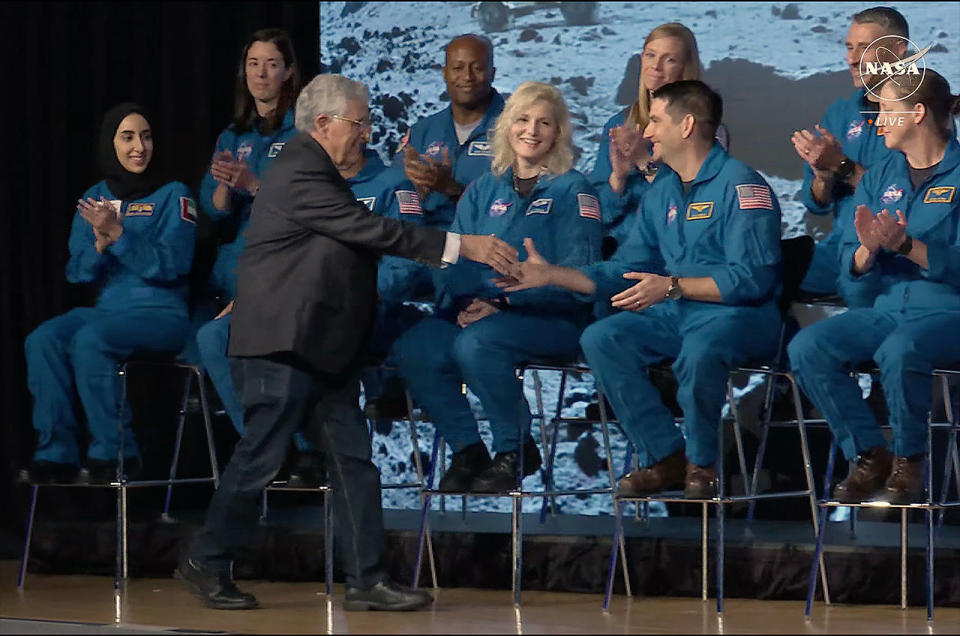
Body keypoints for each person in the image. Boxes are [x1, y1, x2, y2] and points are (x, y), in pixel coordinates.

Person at [175, 73, 518, 612]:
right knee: (261, 457)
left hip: (322, 346)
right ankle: (207, 560)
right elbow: (371, 232)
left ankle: (367, 580)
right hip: (281, 342)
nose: (367, 132)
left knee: (354, 462)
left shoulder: (315, 171)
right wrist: (460, 243)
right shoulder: (297, 170)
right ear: (324, 124)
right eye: (359, 122)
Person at [497, 81, 782, 499]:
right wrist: (552, 275)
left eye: (656, 122)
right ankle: (664, 455)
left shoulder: (742, 186)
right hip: (680, 308)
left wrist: (672, 287)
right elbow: (628, 269)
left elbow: (752, 280)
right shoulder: (663, 190)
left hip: (740, 314)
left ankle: (702, 466)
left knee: (701, 350)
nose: (647, 132)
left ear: (686, 125)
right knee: (603, 337)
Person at [394, 82, 603, 493]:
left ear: (558, 133)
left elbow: (582, 278)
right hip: (477, 310)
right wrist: (468, 299)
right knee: (414, 345)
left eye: (544, 122)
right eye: (523, 119)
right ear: (507, 126)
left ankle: (515, 449)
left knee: (477, 345)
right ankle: (468, 450)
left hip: (553, 318)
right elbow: (451, 259)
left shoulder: (573, 189)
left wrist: (505, 302)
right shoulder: (484, 189)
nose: (532, 130)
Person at [788, 70, 960, 504]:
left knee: (902, 348)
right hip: (888, 306)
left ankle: (910, 460)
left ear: (917, 113)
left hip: (947, 311)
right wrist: (866, 251)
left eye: (886, 110)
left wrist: (906, 246)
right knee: (809, 347)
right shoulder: (881, 175)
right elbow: (850, 260)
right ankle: (868, 452)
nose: (878, 120)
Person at [22, 103, 197, 485]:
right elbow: (76, 272)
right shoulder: (95, 197)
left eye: (147, 136)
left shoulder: (174, 194)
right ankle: (57, 453)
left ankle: (114, 452)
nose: (140, 146)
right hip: (108, 310)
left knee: (91, 340)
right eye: (128, 136)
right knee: (43, 340)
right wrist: (100, 245)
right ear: (110, 143)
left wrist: (119, 235)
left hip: (161, 314)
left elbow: (174, 265)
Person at [192, 28, 321, 483]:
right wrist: (227, 191)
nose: (261, 73)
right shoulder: (234, 134)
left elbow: (313, 207)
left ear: (289, 72)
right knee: (213, 339)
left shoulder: (306, 130)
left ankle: (301, 446)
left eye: (270, 64)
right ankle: (272, 447)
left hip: (288, 265)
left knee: (260, 339)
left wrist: (253, 185)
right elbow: (214, 213)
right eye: (253, 64)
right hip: (237, 268)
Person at [790, 7, 909, 296]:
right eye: (849, 47)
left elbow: (901, 200)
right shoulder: (842, 112)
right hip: (837, 250)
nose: (853, 60)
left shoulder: (920, 115)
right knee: (765, 265)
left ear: (898, 50)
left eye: (865, 48)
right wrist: (822, 175)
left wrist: (842, 165)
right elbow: (816, 203)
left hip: (891, 259)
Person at [591, 23, 727, 257]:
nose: (655, 66)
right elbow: (598, 211)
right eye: (650, 55)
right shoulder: (619, 123)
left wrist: (644, 161)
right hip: (622, 254)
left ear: (685, 68)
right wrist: (618, 178)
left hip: (679, 255)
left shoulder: (704, 127)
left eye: (669, 60)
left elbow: (699, 204)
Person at [399, 33, 505, 230]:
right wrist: (414, 189)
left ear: (492, 73)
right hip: (426, 249)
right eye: (458, 68)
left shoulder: (517, 131)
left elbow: (518, 209)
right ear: (445, 73)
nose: (467, 77)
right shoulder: (421, 132)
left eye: (477, 68)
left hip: (488, 249)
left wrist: (451, 189)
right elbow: (394, 200)